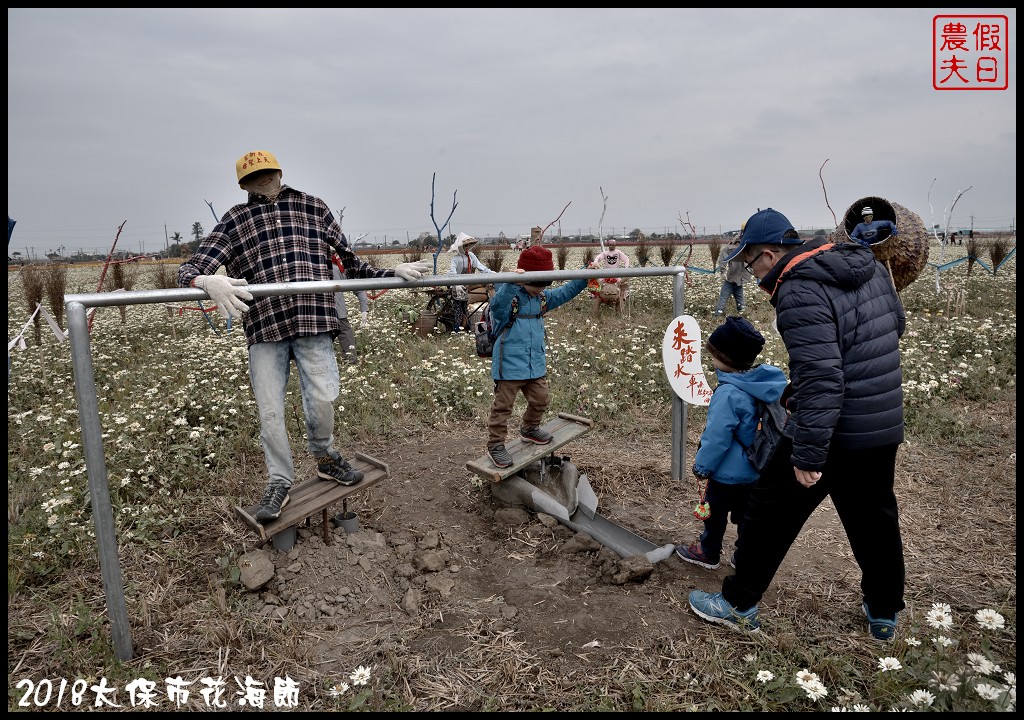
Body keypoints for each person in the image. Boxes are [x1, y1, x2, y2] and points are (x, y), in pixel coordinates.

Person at [689, 207, 907, 642]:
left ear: (769, 254)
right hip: (881, 422)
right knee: (874, 519)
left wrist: (808, 451)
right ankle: (883, 611)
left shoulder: (799, 289)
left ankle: (737, 604)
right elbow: (894, 327)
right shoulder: (870, 264)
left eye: (749, 264)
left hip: (831, 428)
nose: (750, 274)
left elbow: (825, 376)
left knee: (768, 512)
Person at [178, 150, 430, 523]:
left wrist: (391, 271)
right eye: (252, 177)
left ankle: (326, 456)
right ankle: (279, 481)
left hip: (314, 320)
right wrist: (204, 280)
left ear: (279, 172)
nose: (261, 181)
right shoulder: (235, 219)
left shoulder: (313, 207)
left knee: (325, 398)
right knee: (270, 412)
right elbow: (192, 268)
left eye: (266, 173)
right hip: (265, 325)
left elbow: (351, 262)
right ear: (243, 184)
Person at [675, 316, 788, 570]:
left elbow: (717, 438)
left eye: (713, 354)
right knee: (748, 518)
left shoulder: (727, 393)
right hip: (755, 467)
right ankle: (745, 555)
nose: (710, 359)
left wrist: (703, 467)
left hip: (726, 473)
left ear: (725, 358)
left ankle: (708, 551)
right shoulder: (761, 384)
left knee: (714, 515)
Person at [485, 245, 592, 469]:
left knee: (541, 399)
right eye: (535, 284)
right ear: (524, 277)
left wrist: (585, 275)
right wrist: (511, 283)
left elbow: (564, 292)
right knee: (502, 408)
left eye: (544, 285)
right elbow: (496, 306)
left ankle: (529, 428)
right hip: (509, 365)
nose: (538, 289)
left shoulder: (542, 298)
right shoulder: (509, 297)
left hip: (535, 364)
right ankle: (496, 444)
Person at [447, 232, 494, 332]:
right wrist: (456, 283)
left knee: (465, 307)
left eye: (468, 245)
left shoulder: (471, 256)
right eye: (465, 245)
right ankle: (457, 330)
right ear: (460, 246)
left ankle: (466, 328)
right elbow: (452, 272)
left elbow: (481, 267)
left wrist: (492, 273)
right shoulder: (455, 259)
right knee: (458, 309)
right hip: (457, 286)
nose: (467, 247)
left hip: (465, 286)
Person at [331, 255, 370, 364]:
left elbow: (356, 285)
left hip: (337, 312)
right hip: (317, 315)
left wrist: (364, 308)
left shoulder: (336, 267)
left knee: (346, 338)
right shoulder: (336, 266)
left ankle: (351, 363)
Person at [590, 238, 630, 314]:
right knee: (597, 286)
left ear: (615, 245)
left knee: (621, 287)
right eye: (610, 244)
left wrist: (626, 267)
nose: (611, 246)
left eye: (613, 244)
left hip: (616, 274)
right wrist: (596, 263)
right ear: (608, 245)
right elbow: (598, 258)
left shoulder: (618, 252)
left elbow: (626, 259)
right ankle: (595, 297)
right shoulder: (605, 253)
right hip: (606, 274)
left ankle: (622, 302)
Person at [714, 240, 746, 315]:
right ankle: (741, 309)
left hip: (731, 279)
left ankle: (719, 311)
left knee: (724, 297)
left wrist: (723, 271)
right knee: (739, 298)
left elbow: (723, 259)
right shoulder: (745, 247)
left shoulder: (730, 248)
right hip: (738, 279)